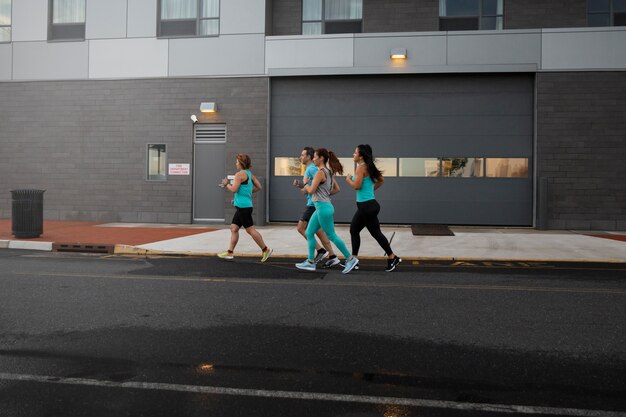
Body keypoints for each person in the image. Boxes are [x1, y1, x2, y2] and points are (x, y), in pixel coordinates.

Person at [295, 148, 358, 274]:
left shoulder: (320, 173)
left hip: (323, 208)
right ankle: (311, 262)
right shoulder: (328, 172)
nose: (313, 159)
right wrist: (323, 195)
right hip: (322, 207)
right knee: (309, 232)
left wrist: (306, 183)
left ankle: (350, 259)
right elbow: (333, 190)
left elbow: (311, 190)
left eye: (315, 157)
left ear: (321, 158)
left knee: (331, 235)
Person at [345, 144, 402, 272]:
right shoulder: (369, 166)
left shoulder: (360, 168)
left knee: (374, 233)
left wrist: (348, 179)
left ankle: (392, 257)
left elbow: (357, 186)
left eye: (355, 153)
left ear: (360, 156)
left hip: (366, 206)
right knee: (354, 230)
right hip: (369, 205)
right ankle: (354, 260)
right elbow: (381, 179)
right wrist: (371, 190)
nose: (353, 154)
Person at [218, 153, 272, 262]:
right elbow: (259, 187)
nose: (236, 163)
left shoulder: (239, 175)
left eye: (237, 161)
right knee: (234, 228)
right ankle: (230, 252)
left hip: (243, 207)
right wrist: (247, 192)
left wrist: (226, 183)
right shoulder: (249, 174)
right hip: (243, 206)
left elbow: (234, 189)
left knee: (250, 230)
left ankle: (265, 249)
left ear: (241, 163)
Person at [293, 147, 340, 268]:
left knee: (301, 228)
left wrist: (321, 194)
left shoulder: (313, 169)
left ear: (309, 156)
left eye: (303, 155)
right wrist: (301, 186)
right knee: (320, 232)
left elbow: (320, 186)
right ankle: (332, 256)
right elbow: (311, 188)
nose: (301, 157)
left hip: (314, 204)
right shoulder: (312, 169)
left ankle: (319, 252)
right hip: (315, 203)